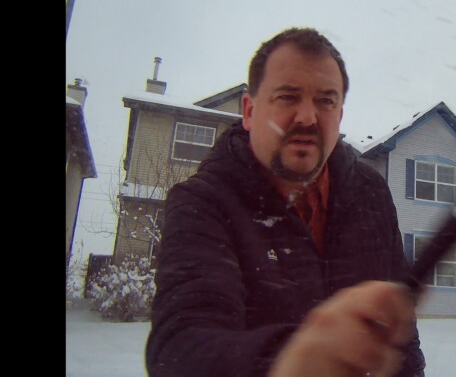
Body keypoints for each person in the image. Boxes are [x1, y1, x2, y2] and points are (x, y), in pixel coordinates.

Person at [145, 27, 426, 377]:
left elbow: (404, 335)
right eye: (288, 97)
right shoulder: (203, 204)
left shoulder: (371, 193)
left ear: (339, 116)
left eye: (326, 100)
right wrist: (292, 360)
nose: (307, 117)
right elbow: (181, 348)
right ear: (248, 111)